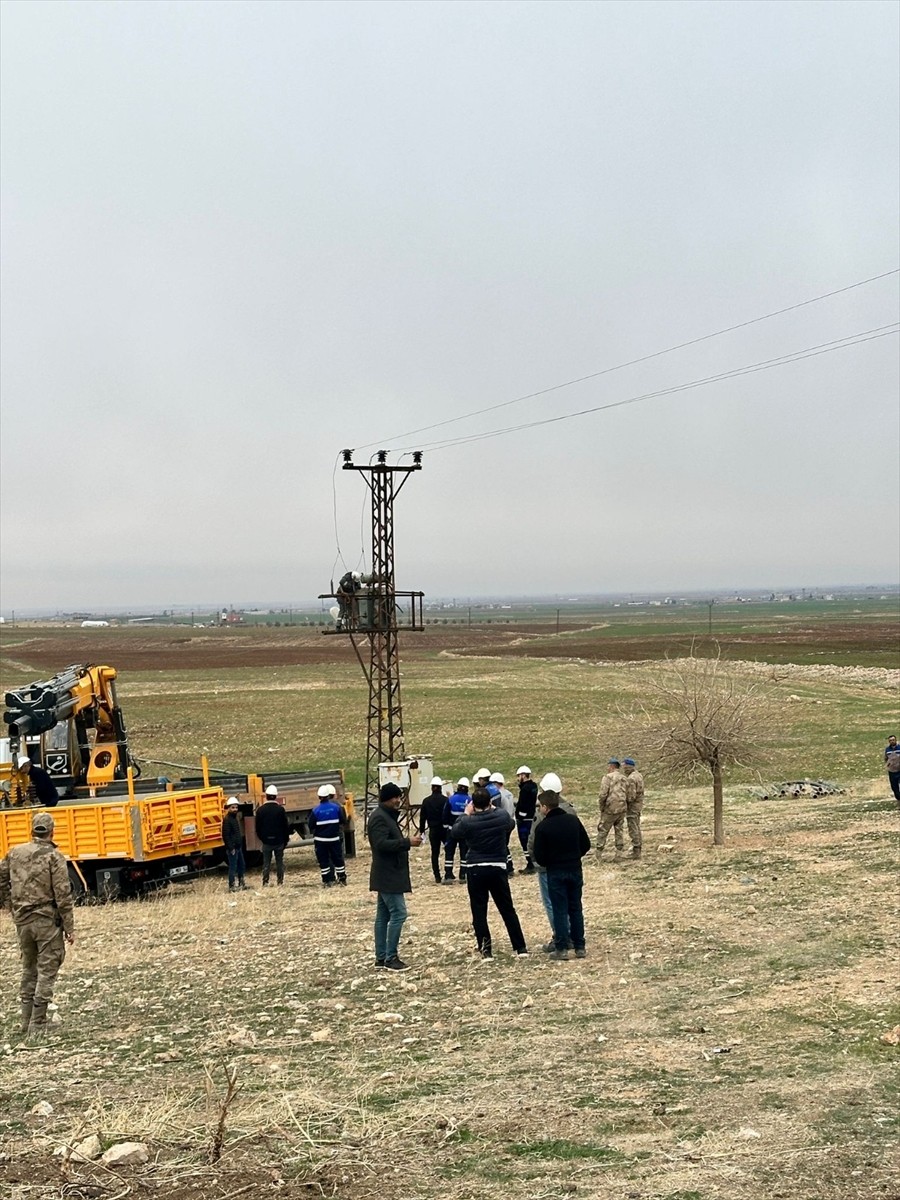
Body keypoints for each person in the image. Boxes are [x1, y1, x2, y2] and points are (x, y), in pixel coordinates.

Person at [0, 810, 75, 1035]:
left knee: (29, 968)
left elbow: (1, 879)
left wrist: (10, 905)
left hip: (22, 921)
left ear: (32, 829)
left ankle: (25, 1021)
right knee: (47, 969)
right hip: (46, 922)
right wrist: (69, 927)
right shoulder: (54, 856)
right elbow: (63, 893)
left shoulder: (14, 853)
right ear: (52, 831)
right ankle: (38, 1023)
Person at [451, 787, 528, 960]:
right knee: (507, 908)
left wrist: (465, 813)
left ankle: (486, 950)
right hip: (497, 866)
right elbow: (511, 823)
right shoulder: (500, 817)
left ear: (473, 804)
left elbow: (455, 832)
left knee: (479, 911)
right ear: (490, 802)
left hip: (476, 867)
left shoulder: (467, 822)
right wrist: (494, 809)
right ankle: (520, 947)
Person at [532, 778, 591, 961]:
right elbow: (586, 844)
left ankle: (562, 947)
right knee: (576, 908)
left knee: (559, 909)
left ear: (545, 807)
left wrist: (550, 861)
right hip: (574, 868)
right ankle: (580, 946)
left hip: (555, 872)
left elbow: (539, 855)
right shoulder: (573, 820)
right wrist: (574, 856)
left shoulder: (543, 827)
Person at [367, 781, 422, 970]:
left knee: (383, 916)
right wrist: (406, 842)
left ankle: (381, 958)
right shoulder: (379, 818)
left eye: (399, 797)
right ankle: (391, 957)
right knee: (399, 913)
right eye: (396, 797)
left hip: (388, 874)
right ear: (386, 799)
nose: (399, 800)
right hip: (388, 874)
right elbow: (381, 844)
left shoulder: (386, 816)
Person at [527, 773, 578, 952]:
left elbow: (533, 840)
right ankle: (573, 935)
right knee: (572, 901)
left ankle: (560, 937)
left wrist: (535, 860)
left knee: (552, 903)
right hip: (570, 863)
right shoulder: (571, 809)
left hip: (548, 866)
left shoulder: (543, 811)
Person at [309, 783, 348, 887]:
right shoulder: (336, 808)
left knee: (324, 861)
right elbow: (343, 820)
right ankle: (342, 879)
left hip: (320, 841)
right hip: (334, 839)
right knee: (338, 859)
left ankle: (327, 881)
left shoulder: (315, 810)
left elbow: (311, 825)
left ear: (319, 797)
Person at [255, 784, 289, 886]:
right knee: (279, 862)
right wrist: (285, 840)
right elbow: (285, 827)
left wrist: (263, 838)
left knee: (266, 863)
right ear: (276, 796)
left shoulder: (260, 810)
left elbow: (257, 828)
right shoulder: (280, 810)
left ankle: (265, 882)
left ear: (266, 796)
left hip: (266, 842)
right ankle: (280, 881)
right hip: (279, 841)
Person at [419, 777, 448, 884]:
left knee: (435, 853)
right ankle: (448, 872)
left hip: (433, 830)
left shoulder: (426, 801)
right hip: (444, 830)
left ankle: (437, 876)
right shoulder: (445, 800)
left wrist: (422, 831)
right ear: (441, 788)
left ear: (431, 788)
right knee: (448, 851)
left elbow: (422, 818)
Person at [442, 778, 471, 883]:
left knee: (449, 853)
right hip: (464, 831)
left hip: (451, 830)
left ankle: (448, 874)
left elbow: (445, 815)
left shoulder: (451, 799)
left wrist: (445, 828)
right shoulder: (470, 800)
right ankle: (463, 875)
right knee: (464, 853)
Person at [597, 759, 627, 856]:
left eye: (608, 766)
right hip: (622, 808)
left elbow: (603, 794)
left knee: (603, 830)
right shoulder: (624, 778)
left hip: (610, 808)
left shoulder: (607, 778)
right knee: (619, 830)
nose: (607, 768)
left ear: (612, 766)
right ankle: (619, 853)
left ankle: (599, 853)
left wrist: (602, 806)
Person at [488, 772, 516, 875]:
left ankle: (509, 867)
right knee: (505, 844)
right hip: (511, 821)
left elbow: (499, 808)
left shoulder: (498, 795)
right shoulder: (509, 793)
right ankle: (509, 866)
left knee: (503, 845)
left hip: (503, 822)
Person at [515, 765, 539, 873]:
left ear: (524, 775)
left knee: (525, 841)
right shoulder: (533, 786)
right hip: (531, 817)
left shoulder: (525, 789)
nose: (518, 778)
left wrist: (520, 816)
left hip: (524, 820)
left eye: (519, 775)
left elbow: (523, 804)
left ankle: (530, 864)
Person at [221, 797, 247, 892]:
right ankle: (231, 886)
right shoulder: (227, 820)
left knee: (241, 865)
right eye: (233, 807)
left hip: (238, 847)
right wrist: (231, 848)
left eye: (236, 807)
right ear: (228, 808)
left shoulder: (234, 818)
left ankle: (241, 883)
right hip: (233, 848)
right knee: (233, 867)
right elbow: (225, 835)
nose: (235, 809)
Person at [622, 758, 645, 860]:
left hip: (633, 807)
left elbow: (631, 796)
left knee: (633, 827)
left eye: (625, 766)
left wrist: (623, 800)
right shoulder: (638, 775)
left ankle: (636, 850)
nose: (624, 769)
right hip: (638, 805)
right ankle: (638, 846)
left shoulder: (631, 778)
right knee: (637, 825)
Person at [885, 736, 900, 805]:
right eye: (890, 740)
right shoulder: (887, 749)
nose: (892, 741)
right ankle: (898, 799)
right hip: (892, 771)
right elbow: (886, 758)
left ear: (896, 740)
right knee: (894, 787)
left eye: (893, 740)